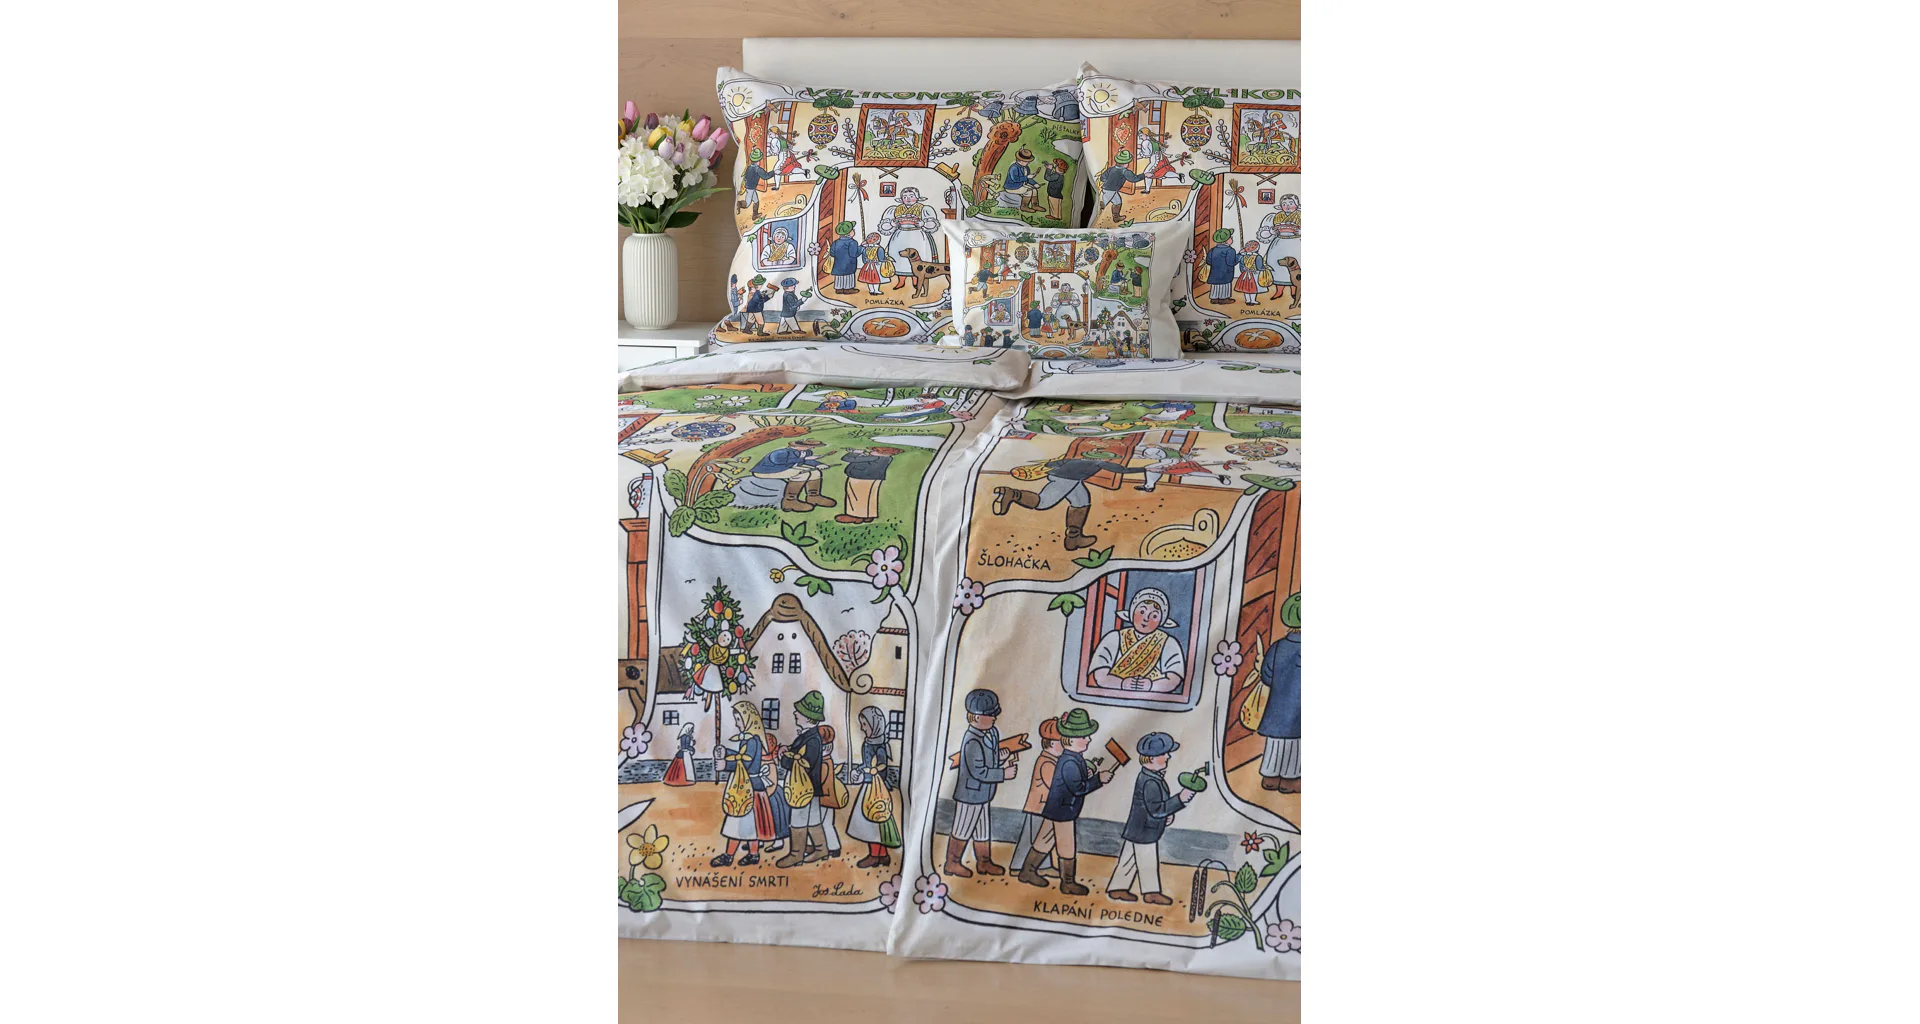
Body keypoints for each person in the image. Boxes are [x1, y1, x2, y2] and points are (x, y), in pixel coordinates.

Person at [991, 450, 1150, 551]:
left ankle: (1073, 538)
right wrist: (1144, 468)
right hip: (1067, 480)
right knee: (1042, 503)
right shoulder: (1099, 462)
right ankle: (1012, 494)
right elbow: (1122, 470)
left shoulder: (1075, 459)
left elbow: (1051, 463)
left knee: (1082, 502)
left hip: (1064, 477)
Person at [1105, 732, 1194, 905]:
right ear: (1151, 759)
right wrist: (1180, 799)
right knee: (1147, 860)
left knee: (1129, 859)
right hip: (1144, 829)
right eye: (1164, 754)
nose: (1168, 757)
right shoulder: (1150, 781)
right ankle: (1151, 893)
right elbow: (1156, 809)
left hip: (1139, 827)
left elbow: (1154, 807)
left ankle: (1118, 888)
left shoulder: (1150, 777)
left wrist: (1166, 815)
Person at [1038, 708, 1115, 896]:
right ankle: (1068, 883)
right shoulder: (1069, 762)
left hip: (1057, 808)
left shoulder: (1073, 758)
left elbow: (1075, 779)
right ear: (1070, 740)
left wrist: (1088, 772)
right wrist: (1098, 780)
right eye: (1084, 736)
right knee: (1066, 846)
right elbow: (1078, 788)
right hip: (1064, 810)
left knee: (1044, 840)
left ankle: (1027, 871)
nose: (1088, 740)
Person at [947, 687, 1019, 878]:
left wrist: (1000, 758)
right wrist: (1003, 774)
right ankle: (952, 862)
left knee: (982, 830)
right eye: (989, 715)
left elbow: (989, 759)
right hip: (970, 794)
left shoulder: (991, 733)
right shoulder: (972, 740)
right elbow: (979, 771)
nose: (993, 718)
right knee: (962, 828)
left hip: (985, 793)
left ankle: (984, 862)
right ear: (975, 717)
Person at [712, 701, 775, 867]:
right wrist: (726, 752)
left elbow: (745, 763)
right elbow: (741, 755)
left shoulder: (752, 741)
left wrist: (726, 765)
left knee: (741, 823)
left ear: (748, 719)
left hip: (749, 788)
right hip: (747, 787)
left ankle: (734, 856)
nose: (736, 723)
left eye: (739, 719)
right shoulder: (748, 740)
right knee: (745, 824)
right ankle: (747, 854)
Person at [1088, 588, 1186, 694]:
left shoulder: (1168, 643)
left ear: (1161, 620)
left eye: (1154, 615)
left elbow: (1174, 678)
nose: (1146, 618)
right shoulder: (1114, 638)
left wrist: (1151, 685)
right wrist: (1122, 683)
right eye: (1142, 611)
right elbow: (1100, 675)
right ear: (1132, 612)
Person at [776, 691, 834, 867]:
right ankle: (821, 848)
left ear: (809, 718)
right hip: (811, 788)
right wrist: (788, 751)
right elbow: (799, 755)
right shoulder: (809, 737)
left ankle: (796, 854)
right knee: (813, 819)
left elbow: (802, 763)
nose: (795, 713)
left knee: (798, 820)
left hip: (802, 788)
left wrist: (783, 758)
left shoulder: (811, 739)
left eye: (799, 712)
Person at [847, 706, 902, 868]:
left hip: (877, 788)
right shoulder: (867, 743)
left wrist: (873, 770)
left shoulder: (880, 745)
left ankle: (879, 855)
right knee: (869, 821)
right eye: (862, 724)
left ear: (875, 724)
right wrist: (859, 770)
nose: (862, 728)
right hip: (868, 785)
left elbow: (882, 764)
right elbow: (866, 763)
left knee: (875, 820)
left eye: (865, 724)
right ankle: (879, 855)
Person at [1258, 595, 1302, 793]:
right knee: (1296, 745)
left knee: (1275, 743)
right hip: (1299, 709)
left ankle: (1270, 776)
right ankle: (1289, 780)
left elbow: (1266, 675)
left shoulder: (1277, 647)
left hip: (1277, 707)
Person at [1012, 716, 1063, 887]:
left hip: (1043, 807)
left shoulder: (1052, 760)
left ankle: (1044, 866)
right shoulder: (1047, 762)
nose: (1064, 746)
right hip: (1038, 807)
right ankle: (1017, 866)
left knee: (1040, 837)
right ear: (1051, 743)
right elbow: (1052, 784)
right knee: (1032, 838)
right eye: (1061, 742)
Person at [749, 438, 834, 513]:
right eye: (809, 446)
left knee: (815, 472)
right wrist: (802, 459)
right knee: (802, 474)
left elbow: (806, 461)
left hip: (786, 468)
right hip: (767, 470)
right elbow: (776, 460)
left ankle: (814, 496)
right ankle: (790, 501)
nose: (811, 448)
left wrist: (818, 464)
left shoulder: (806, 452)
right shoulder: (782, 452)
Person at [878, 186, 938, 284]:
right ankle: (901, 280)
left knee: (918, 259)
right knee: (898, 258)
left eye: (911, 196)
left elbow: (933, 224)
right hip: (899, 237)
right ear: (901, 199)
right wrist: (892, 224)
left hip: (918, 236)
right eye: (905, 197)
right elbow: (884, 226)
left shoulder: (924, 209)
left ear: (917, 197)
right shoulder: (894, 209)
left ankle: (916, 280)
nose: (908, 199)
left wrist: (923, 223)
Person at [837, 446, 899, 525]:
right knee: (869, 498)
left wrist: (855, 453)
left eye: (874, 451)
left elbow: (846, 458)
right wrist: (861, 454)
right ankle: (868, 515)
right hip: (870, 479)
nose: (870, 452)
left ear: (883, 453)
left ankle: (856, 516)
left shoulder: (874, 458)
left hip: (861, 479)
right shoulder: (885, 458)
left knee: (856, 497)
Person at [1199, 229, 1238, 304]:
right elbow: (1231, 263)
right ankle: (1223, 299)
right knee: (1225, 286)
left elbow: (1208, 261)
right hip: (1226, 273)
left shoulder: (1212, 250)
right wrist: (1239, 256)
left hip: (1214, 273)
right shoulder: (1230, 250)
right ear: (1226, 241)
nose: (1232, 238)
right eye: (1231, 237)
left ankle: (1214, 298)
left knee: (1215, 286)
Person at [999, 148, 1040, 212]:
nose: (1028, 163)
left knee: (1034, 190)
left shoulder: (1026, 167)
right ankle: (1024, 207)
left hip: (1021, 185)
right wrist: (1027, 177)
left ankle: (1035, 205)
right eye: (1027, 161)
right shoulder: (1014, 168)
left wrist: (1035, 183)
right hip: (1012, 186)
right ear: (1020, 160)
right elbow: (1015, 179)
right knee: (1029, 191)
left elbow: (1028, 179)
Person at [827, 221, 861, 294]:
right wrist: (861, 248)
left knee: (839, 277)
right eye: (852, 230)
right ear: (849, 233)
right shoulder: (853, 242)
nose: (853, 231)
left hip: (838, 264)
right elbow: (854, 254)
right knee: (848, 277)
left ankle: (838, 289)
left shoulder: (835, 242)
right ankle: (848, 289)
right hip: (849, 264)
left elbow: (832, 253)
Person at [1234, 242, 1271, 306]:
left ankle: (1248, 300)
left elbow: (1241, 266)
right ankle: (1253, 300)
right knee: (1253, 288)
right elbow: (1259, 267)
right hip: (1255, 274)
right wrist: (1265, 268)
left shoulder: (1243, 256)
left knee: (1246, 288)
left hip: (1245, 274)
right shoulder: (1258, 257)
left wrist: (1244, 271)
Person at [662, 721, 696, 786]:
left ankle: (675, 780)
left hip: (682, 753)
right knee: (685, 767)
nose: (692, 731)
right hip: (685, 754)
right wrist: (692, 749)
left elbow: (683, 746)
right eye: (692, 729)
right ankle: (684, 781)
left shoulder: (683, 736)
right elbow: (686, 747)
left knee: (677, 768)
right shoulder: (687, 737)